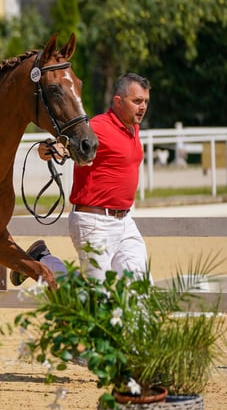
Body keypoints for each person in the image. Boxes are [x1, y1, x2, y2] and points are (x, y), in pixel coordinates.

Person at [10, 72, 151, 285]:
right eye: (137, 101)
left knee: (139, 288)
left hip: (125, 222)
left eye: (145, 102)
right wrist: (53, 149)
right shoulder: (99, 127)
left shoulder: (133, 128)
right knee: (95, 296)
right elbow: (62, 146)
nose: (142, 107)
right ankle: (43, 261)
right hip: (95, 222)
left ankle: (41, 259)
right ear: (118, 102)